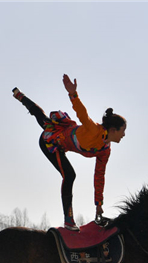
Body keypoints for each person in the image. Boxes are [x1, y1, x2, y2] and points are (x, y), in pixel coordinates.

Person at [13, 74, 127, 231]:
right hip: (51, 143)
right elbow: (82, 113)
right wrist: (73, 93)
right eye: (123, 131)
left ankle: (20, 96)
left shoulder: (105, 151)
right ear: (113, 130)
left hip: (63, 139)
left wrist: (98, 203)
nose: (124, 135)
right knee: (69, 174)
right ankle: (68, 220)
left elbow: (99, 175)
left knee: (43, 120)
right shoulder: (93, 129)